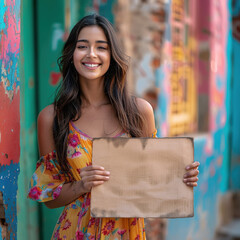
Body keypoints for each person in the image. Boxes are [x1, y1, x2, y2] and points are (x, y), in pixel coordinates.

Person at [28, 14, 200, 240]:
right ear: (72, 54)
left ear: (112, 56)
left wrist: (180, 178)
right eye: (82, 46)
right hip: (74, 232)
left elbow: (153, 179)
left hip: (127, 233)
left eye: (101, 47)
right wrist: (81, 185)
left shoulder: (139, 112)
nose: (91, 54)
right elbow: (49, 198)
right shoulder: (51, 117)